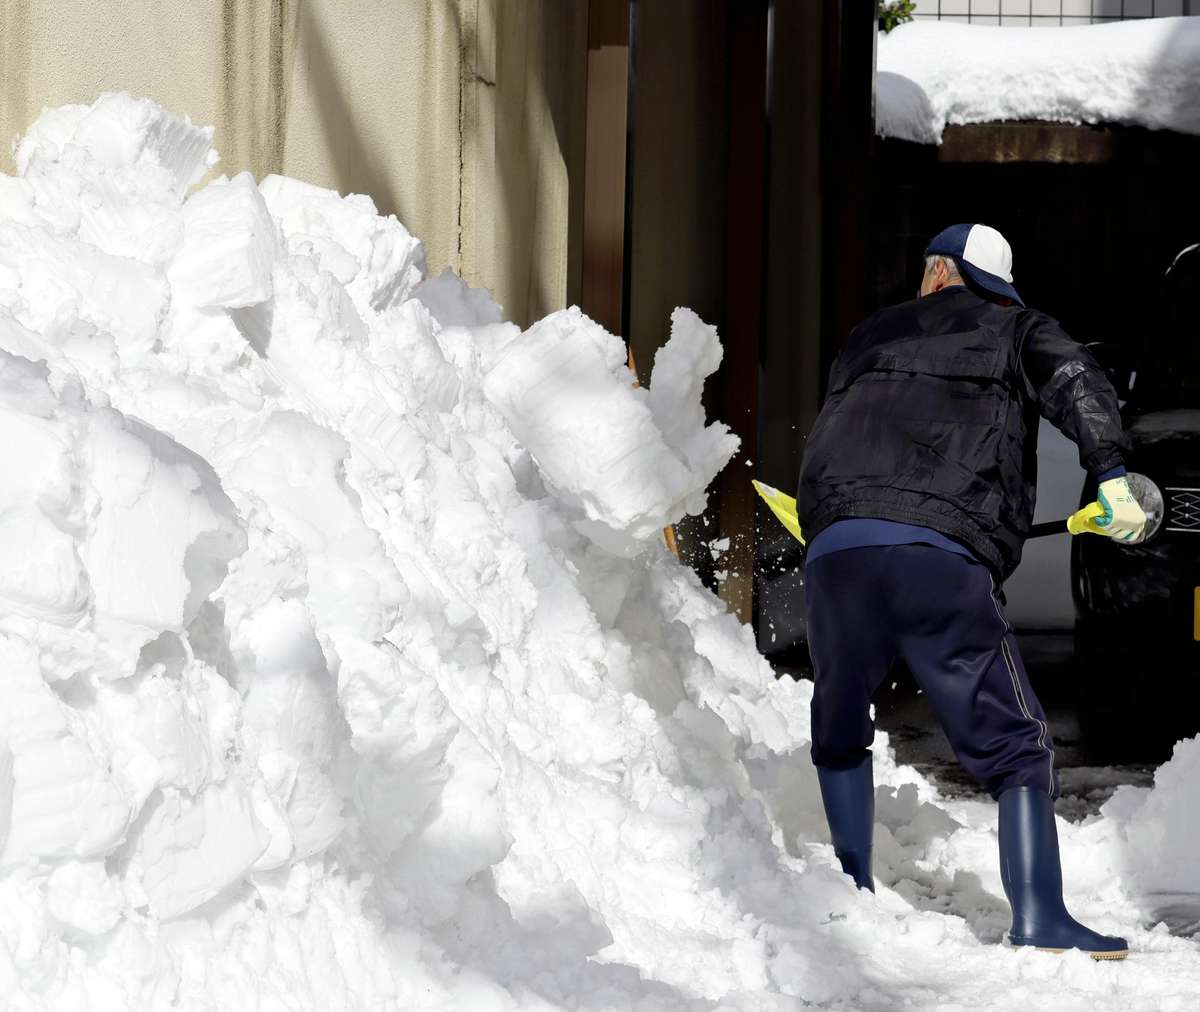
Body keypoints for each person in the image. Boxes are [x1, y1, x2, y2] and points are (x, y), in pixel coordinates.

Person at [796, 223, 1145, 960]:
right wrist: (1112, 473)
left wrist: (838, 518)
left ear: (935, 273)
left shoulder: (865, 336)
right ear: (986, 284)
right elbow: (1078, 380)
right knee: (1017, 747)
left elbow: (841, 428)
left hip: (834, 547)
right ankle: (1042, 918)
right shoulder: (1015, 329)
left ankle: (853, 889)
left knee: (839, 720)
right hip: (937, 554)